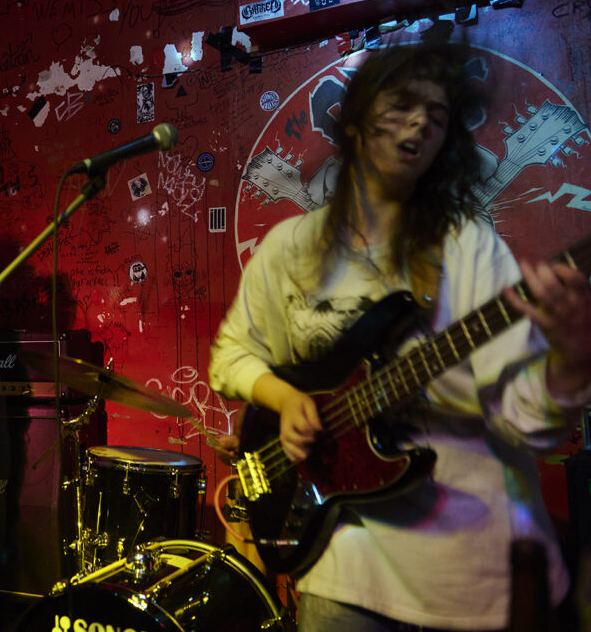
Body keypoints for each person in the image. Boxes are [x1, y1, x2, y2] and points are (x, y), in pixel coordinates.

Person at [209, 42, 591, 630]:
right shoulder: (290, 248)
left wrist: (570, 363)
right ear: (355, 119)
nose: (420, 124)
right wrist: (283, 399)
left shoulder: (467, 245)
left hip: (472, 570)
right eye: (403, 106)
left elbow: (522, 420)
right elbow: (230, 356)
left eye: (436, 117)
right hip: (343, 568)